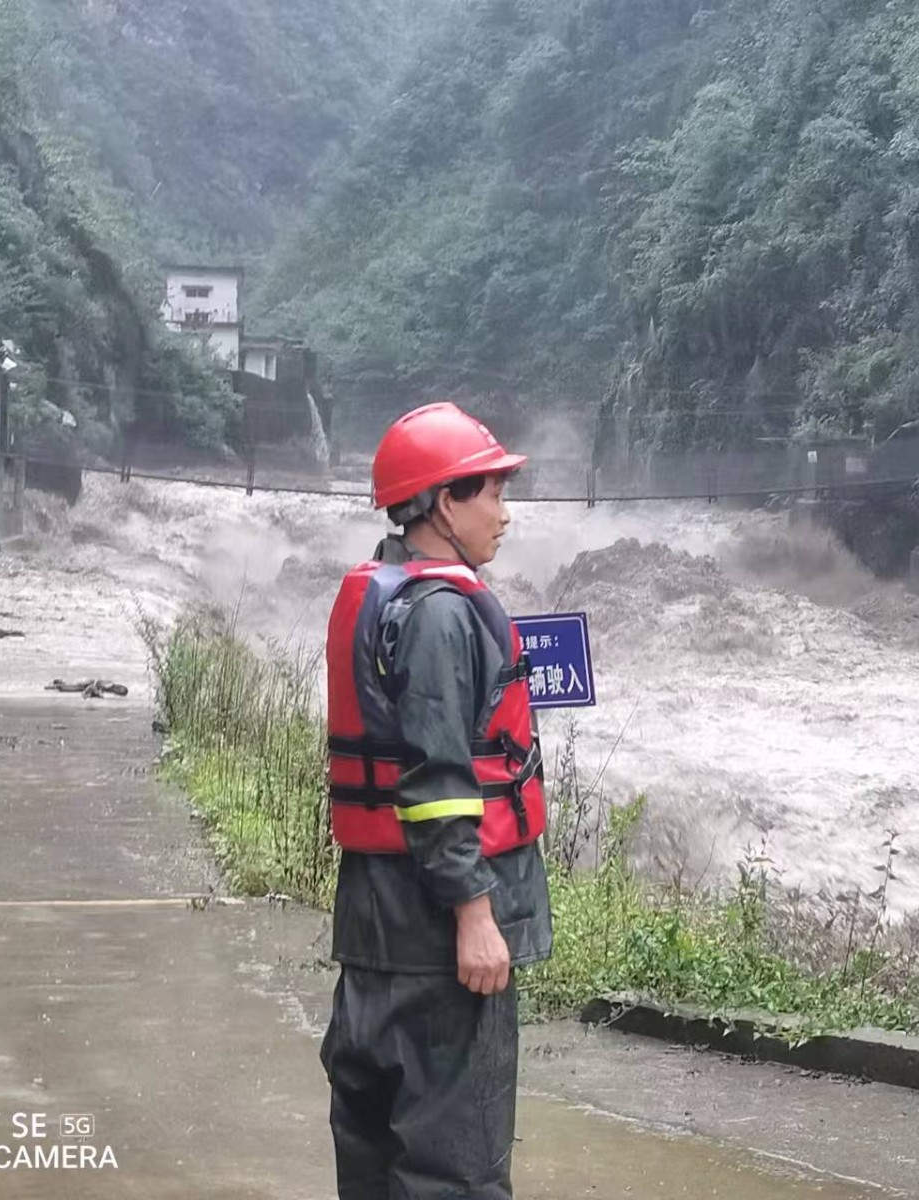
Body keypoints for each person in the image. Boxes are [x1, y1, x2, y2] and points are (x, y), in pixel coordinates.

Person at [320, 401, 553, 1200]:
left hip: (376, 932)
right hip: (436, 948)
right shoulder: (442, 617)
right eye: (492, 493)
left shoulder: (387, 597)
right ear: (446, 503)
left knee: (375, 1160)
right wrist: (475, 916)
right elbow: (437, 784)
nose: (505, 514)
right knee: (455, 1171)